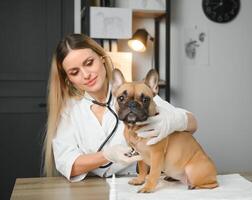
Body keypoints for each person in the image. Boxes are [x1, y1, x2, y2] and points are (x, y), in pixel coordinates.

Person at [43, 33, 198, 182]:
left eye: (89, 63)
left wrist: (171, 121)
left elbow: (192, 124)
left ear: (102, 59)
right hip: (93, 188)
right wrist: (107, 155)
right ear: (68, 79)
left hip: (139, 182)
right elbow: (68, 164)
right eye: (74, 72)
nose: (86, 75)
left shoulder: (135, 93)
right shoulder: (70, 111)